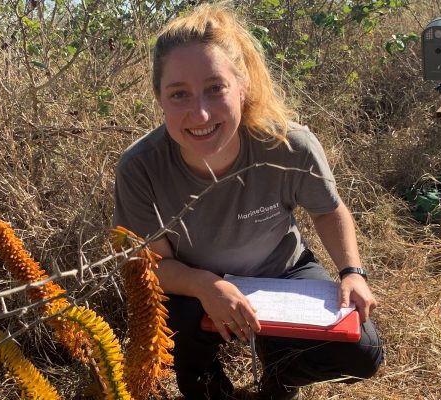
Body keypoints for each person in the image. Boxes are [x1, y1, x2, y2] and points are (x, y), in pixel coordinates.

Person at [112, 3, 384, 399]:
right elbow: (151, 265)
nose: (199, 112)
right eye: (179, 94)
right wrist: (206, 285)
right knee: (181, 336)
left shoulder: (289, 145)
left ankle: (278, 375)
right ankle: (208, 383)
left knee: (364, 353)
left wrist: (352, 271)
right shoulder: (140, 168)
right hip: (195, 287)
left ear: (242, 87)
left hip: (282, 273)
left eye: (215, 88)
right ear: (159, 98)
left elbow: (328, 211)